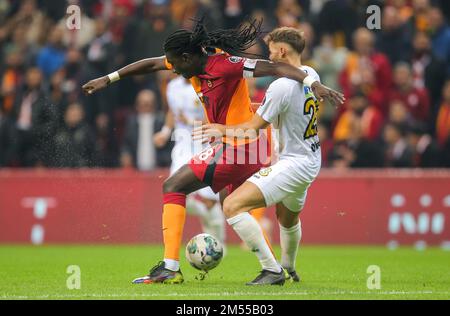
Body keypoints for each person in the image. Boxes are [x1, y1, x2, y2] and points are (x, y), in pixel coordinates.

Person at [82, 18, 344, 285]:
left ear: (187, 56)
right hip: (239, 146)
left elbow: (275, 67)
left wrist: (313, 83)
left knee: (174, 185)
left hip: (241, 145)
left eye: (176, 64)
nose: (174, 69)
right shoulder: (187, 61)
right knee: (232, 207)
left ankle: (170, 267)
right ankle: (273, 268)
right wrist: (109, 78)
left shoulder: (226, 65)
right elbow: (151, 64)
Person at [192, 27, 334, 285]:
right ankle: (289, 266)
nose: (268, 55)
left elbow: (249, 132)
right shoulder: (311, 74)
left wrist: (219, 129)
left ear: (282, 51)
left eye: (270, 50)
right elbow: (284, 111)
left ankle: (272, 270)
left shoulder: (280, 86)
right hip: (311, 158)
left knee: (232, 205)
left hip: (294, 163)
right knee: (287, 218)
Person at [153, 75, 225, 244]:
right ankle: (204, 215)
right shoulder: (172, 86)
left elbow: (212, 117)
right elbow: (172, 111)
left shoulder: (205, 84)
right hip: (183, 144)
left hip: (205, 143)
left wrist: (191, 122)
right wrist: (164, 132)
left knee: (209, 201)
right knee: (175, 189)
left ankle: (219, 244)